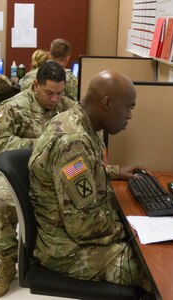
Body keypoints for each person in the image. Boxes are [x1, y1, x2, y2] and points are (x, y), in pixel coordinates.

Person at [29, 70, 153, 295]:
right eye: (128, 107)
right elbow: (83, 227)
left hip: (74, 234)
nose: (130, 116)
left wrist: (114, 171)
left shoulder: (79, 121)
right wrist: (131, 229)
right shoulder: (73, 142)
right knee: (152, 269)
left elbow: (81, 172)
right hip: (66, 250)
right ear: (107, 103)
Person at [0, 61, 75, 298]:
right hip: (16, 170)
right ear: (36, 85)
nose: (55, 99)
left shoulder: (70, 108)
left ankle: (62, 257)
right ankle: (7, 262)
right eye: (49, 93)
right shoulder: (13, 107)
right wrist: (43, 146)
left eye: (60, 92)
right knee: (1, 204)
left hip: (55, 172)